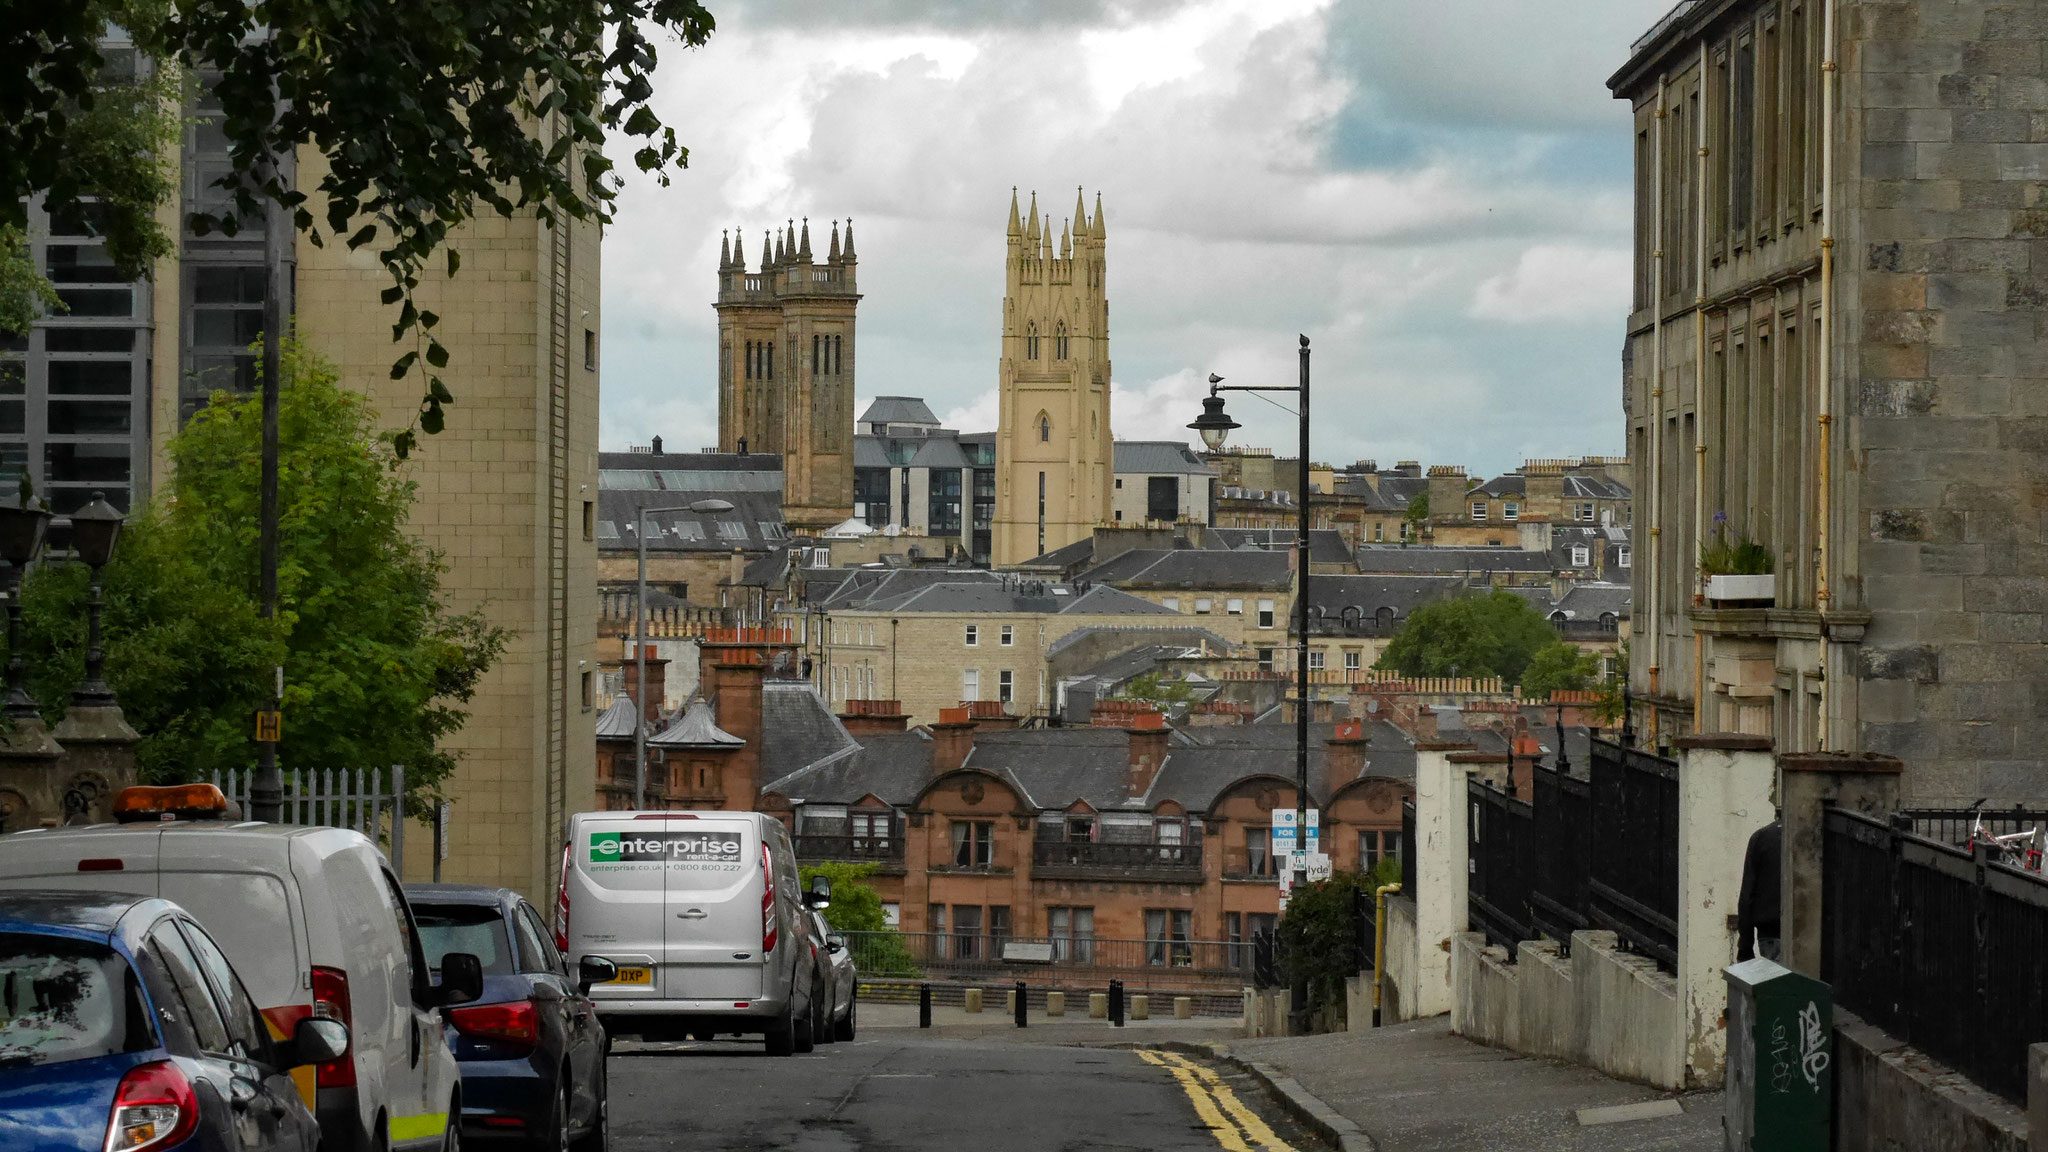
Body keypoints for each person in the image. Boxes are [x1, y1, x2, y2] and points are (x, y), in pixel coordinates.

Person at [1736, 817, 1782, 962]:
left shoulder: (1761, 837)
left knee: (1775, 982)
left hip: (1770, 932)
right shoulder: (1811, 836)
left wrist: (1745, 946)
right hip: (1810, 932)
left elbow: (1747, 895)